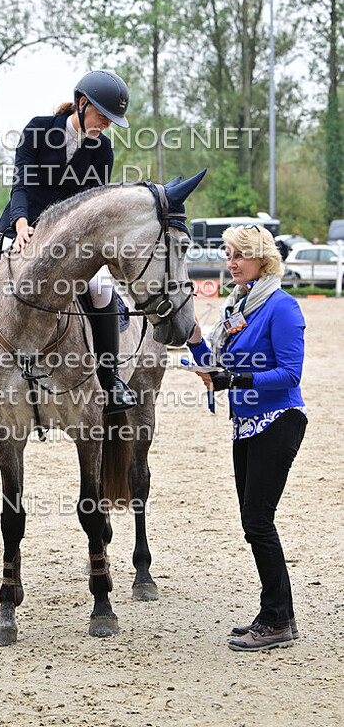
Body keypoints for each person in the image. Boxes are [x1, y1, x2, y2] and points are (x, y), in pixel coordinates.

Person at [0, 69, 137, 424]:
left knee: (102, 293)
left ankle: (109, 379)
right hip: (22, 231)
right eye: (103, 116)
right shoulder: (38, 130)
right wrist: (21, 224)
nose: (107, 125)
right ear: (82, 104)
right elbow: (21, 184)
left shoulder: (102, 149)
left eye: (112, 120)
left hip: (72, 247)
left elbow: (92, 205)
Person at [187, 224, 308, 651]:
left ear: (262, 258)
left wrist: (236, 380)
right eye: (228, 254)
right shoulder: (238, 306)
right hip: (246, 422)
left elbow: (290, 374)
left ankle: (277, 620)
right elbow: (217, 364)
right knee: (253, 523)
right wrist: (195, 339)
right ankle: (279, 616)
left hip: (279, 420)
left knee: (258, 521)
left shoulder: (282, 306)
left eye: (239, 254)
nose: (231, 263)